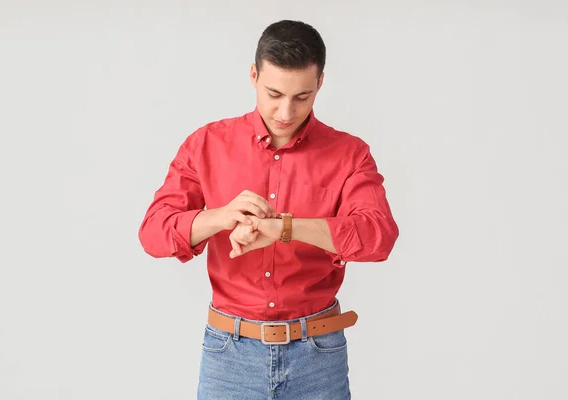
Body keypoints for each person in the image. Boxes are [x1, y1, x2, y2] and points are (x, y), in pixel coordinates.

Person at [138, 19, 399, 400]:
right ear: (254, 75)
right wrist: (222, 217)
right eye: (273, 93)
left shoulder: (349, 154)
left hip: (317, 357)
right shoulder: (206, 143)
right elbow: (154, 233)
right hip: (230, 356)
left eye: (302, 97)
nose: (285, 112)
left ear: (320, 84)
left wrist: (285, 229)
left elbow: (377, 236)